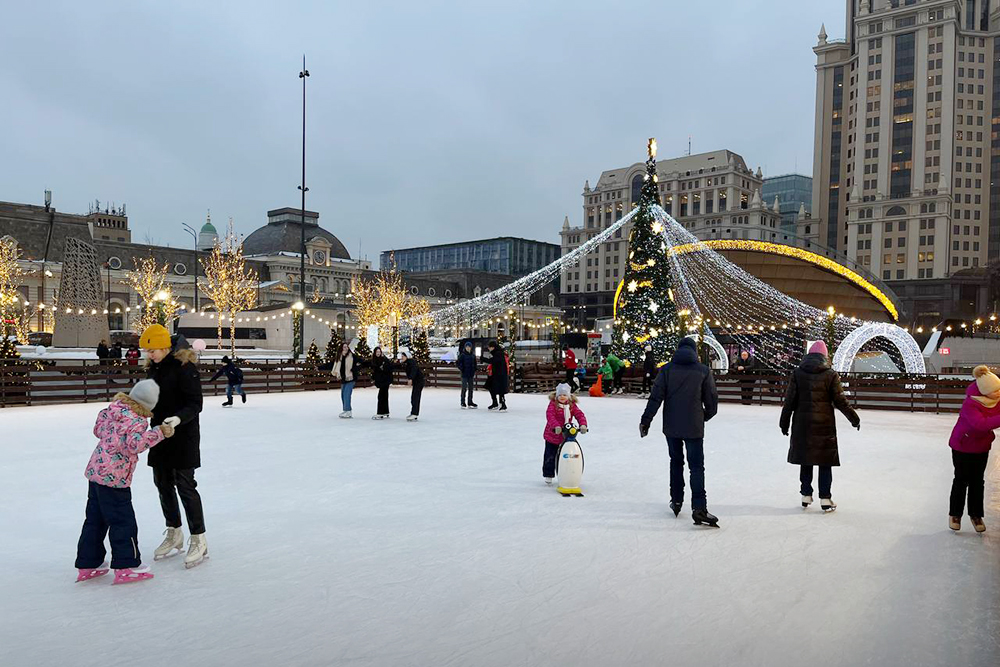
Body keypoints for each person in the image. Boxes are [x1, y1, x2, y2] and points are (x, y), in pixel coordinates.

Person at [76, 379, 176, 584]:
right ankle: (127, 564)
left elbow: (98, 431)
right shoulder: (137, 419)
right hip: (115, 479)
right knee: (123, 520)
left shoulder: (112, 410)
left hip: (96, 473)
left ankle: (89, 562)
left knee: (95, 520)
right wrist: (159, 433)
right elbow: (134, 445)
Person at [140, 324, 208, 569]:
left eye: (154, 350)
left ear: (165, 346)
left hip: (183, 436)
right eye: (147, 351)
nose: (150, 355)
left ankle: (199, 537)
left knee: (185, 486)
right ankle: (174, 531)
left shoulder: (185, 368)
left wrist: (178, 419)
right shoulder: (154, 370)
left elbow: (195, 403)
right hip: (159, 434)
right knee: (163, 484)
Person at [640, 337, 720, 526]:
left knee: (676, 462)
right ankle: (699, 507)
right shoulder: (703, 370)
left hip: (672, 427)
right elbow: (712, 402)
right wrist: (704, 416)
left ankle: (676, 500)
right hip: (694, 427)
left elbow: (655, 398)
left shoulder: (667, 370)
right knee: (696, 466)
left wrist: (646, 420)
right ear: (694, 351)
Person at [779, 340, 860, 513]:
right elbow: (840, 400)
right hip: (824, 425)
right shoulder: (830, 374)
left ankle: (806, 494)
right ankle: (825, 498)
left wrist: (783, 422)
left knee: (805, 459)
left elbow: (789, 401)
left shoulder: (798, 373)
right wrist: (854, 418)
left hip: (802, 424)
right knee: (825, 462)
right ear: (824, 356)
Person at [947, 365, 1000, 532]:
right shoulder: (971, 404)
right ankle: (955, 514)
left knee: (978, 481)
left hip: (981, 447)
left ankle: (976, 515)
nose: (999, 392)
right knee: (961, 479)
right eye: (995, 390)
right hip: (962, 446)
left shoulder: (996, 399)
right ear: (985, 391)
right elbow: (980, 424)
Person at [542, 383, 588, 485]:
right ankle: (548, 474)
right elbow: (550, 416)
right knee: (550, 455)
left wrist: (583, 425)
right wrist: (556, 426)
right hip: (552, 435)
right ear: (557, 396)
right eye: (560, 395)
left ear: (569, 396)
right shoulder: (553, 405)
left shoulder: (571, 405)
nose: (562, 397)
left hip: (566, 435)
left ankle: (567, 473)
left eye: (564, 395)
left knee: (566, 455)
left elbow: (579, 414)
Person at [397, 347, 425, 421]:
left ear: (407, 357)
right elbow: (398, 366)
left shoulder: (411, 362)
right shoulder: (407, 363)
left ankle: (414, 413)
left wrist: (410, 378)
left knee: (415, 397)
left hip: (419, 381)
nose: (401, 358)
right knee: (414, 398)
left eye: (403, 356)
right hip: (417, 382)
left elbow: (414, 370)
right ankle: (414, 413)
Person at [333, 340, 357, 419]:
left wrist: (354, 369)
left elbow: (360, 362)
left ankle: (348, 411)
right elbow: (331, 365)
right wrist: (319, 367)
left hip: (350, 378)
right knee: (343, 395)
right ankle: (346, 410)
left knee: (347, 394)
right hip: (343, 379)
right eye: (344, 347)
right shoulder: (339, 357)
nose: (346, 348)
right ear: (341, 348)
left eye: (347, 347)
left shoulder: (352, 356)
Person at [369, 346, 392, 420]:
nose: (378, 353)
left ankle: (380, 412)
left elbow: (388, 368)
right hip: (382, 380)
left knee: (381, 396)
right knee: (384, 395)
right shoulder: (374, 360)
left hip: (385, 380)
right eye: (377, 352)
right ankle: (385, 411)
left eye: (379, 352)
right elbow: (375, 370)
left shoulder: (384, 360)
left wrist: (383, 368)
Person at [486, 341, 508, 412]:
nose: (488, 349)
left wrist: (483, 359)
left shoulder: (498, 353)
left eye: (489, 347)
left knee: (500, 389)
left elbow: (493, 361)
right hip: (495, 374)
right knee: (491, 387)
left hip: (500, 375)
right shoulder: (497, 353)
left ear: (493, 347)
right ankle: (495, 402)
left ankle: (503, 404)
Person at [457, 341, 479, 409]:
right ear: (465, 347)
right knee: (464, 388)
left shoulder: (473, 355)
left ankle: (470, 402)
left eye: (469, 347)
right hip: (464, 374)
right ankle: (462, 402)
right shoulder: (462, 355)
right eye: (467, 347)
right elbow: (458, 363)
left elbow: (475, 364)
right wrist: (462, 368)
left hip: (471, 374)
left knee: (471, 388)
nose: (468, 348)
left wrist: (475, 369)